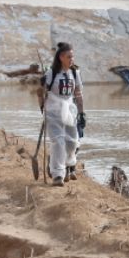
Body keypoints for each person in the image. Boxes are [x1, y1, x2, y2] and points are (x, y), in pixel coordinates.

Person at [37, 42, 84, 186]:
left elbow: (78, 93)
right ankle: (58, 175)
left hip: (69, 111)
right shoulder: (51, 73)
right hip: (53, 111)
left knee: (72, 143)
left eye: (72, 57)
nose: (72, 60)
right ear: (61, 57)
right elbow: (40, 92)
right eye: (69, 57)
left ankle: (64, 163)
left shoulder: (75, 73)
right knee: (58, 141)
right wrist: (42, 107)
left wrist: (82, 113)